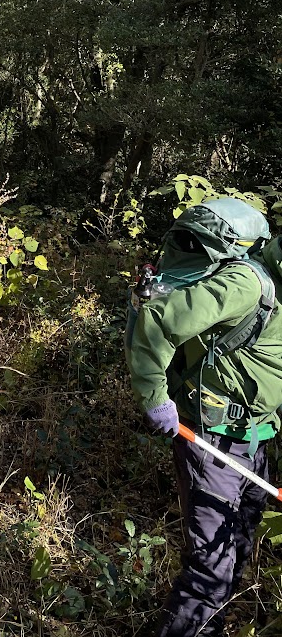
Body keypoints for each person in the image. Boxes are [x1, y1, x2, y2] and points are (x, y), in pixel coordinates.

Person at [126, 208, 282, 637]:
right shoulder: (247, 285)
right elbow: (160, 321)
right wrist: (155, 397)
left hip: (256, 440)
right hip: (213, 443)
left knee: (238, 549)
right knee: (210, 573)